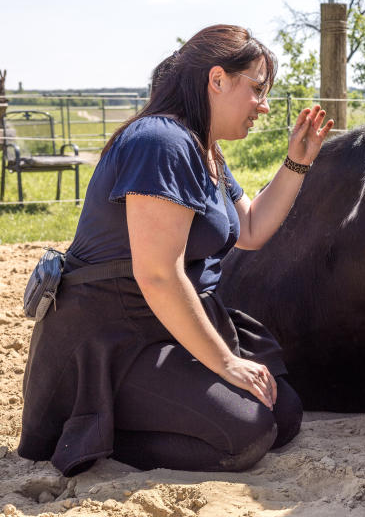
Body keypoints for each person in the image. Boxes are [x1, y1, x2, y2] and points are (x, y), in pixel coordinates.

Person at [19, 24, 333, 476]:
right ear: (218, 79)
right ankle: (84, 425)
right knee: (246, 433)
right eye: (258, 90)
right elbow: (158, 274)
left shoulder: (206, 151)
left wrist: (296, 162)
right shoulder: (160, 143)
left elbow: (249, 228)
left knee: (283, 416)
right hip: (114, 333)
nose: (263, 106)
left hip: (163, 325)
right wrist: (226, 363)